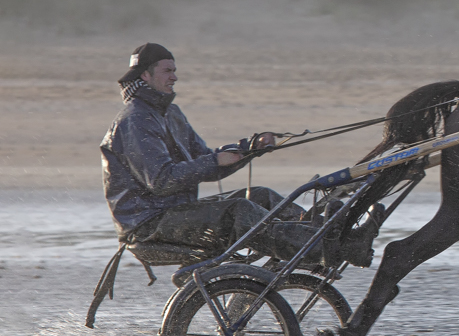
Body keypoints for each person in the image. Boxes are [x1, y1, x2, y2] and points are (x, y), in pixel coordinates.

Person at [100, 43, 381, 267]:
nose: (174, 76)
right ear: (145, 76)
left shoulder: (169, 113)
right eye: (166, 71)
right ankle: (320, 248)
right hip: (147, 227)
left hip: (173, 214)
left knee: (260, 195)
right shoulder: (135, 121)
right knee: (239, 210)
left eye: (174, 70)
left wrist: (250, 149)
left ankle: (330, 235)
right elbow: (161, 180)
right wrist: (214, 161)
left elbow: (206, 160)